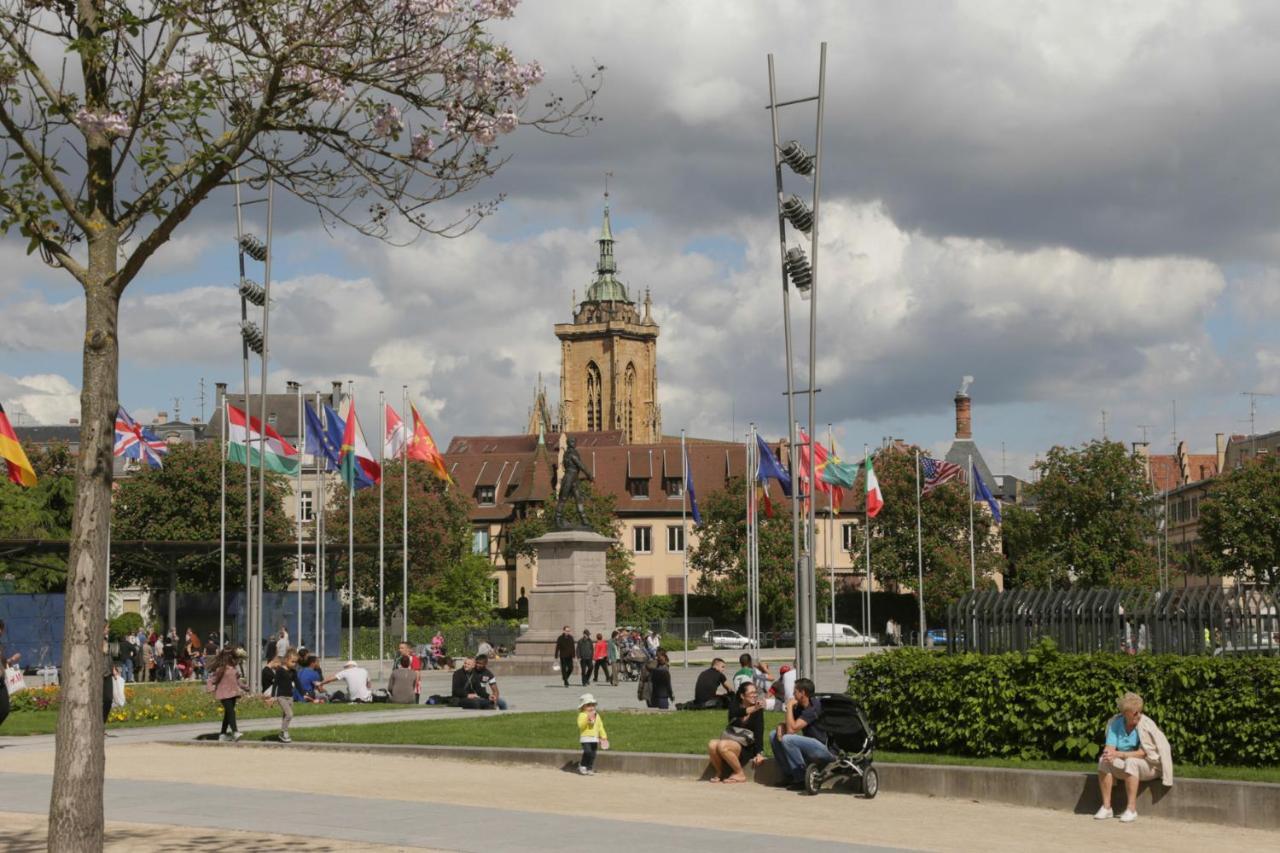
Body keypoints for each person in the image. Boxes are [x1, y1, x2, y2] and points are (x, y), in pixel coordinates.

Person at [1095, 692, 1174, 823]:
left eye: (1137, 713)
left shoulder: (1146, 725)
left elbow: (1144, 753)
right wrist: (1109, 753)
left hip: (1150, 766)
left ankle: (1131, 809)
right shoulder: (1116, 723)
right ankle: (1106, 807)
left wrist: (1120, 754)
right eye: (1130, 714)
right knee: (1103, 760)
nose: (1136, 716)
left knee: (1132, 762)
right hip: (1126, 765)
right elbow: (1109, 747)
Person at [769, 678, 835, 790]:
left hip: (825, 748)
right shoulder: (800, 706)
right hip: (812, 746)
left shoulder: (814, 707)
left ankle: (800, 779)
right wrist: (781, 726)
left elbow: (791, 730)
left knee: (788, 739)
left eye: (795, 692)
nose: (793, 695)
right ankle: (790, 775)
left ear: (802, 693)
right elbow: (790, 724)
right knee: (773, 735)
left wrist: (789, 706)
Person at [707, 681, 768, 783]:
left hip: (746, 746)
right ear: (742, 696)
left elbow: (759, 731)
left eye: (755, 692)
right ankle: (719, 773)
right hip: (733, 739)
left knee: (723, 746)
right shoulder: (734, 706)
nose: (755, 695)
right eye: (751, 693)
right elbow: (736, 713)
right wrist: (753, 708)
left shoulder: (758, 710)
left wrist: (759, 752)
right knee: (712, 744)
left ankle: (739, 773)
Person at [207, 649, 245, 741]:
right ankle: (235, 732)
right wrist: (210, 688)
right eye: (235, 659)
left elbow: (238, 680)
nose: (236, 661)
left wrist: (245, 687)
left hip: (233, 693)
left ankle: (222, 734)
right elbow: (211, 680)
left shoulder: (234, 669)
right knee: (231, 712)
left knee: (228, 714)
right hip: (223, 694)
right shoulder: (221, 669)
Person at [266, 651, 299, 743]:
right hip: (281, 696)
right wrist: (273, 696)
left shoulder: (293, 672)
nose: (294, 664)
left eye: (296, 662)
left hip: (290, 697)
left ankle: (283, 734)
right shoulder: (280, 670)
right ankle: (284, 732)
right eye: (292, 661)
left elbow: (297, 683)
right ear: (286, 660)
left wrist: (304, 693)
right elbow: (275, 683)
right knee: (289, 714)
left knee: (285, 716)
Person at [576, 693, 609, 775]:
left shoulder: (597, 715)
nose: (591, 707)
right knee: (587, 752)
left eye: (592, 705)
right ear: (583, 707)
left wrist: (603, 736)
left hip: (595, 738)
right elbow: (581, 726)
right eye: (588, 705)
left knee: (593, 753)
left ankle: (589, 768)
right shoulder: (582, 715)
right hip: (585, 737)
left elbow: (600, 726)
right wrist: (587, 720)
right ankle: (583, 765)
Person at [0, 619, 19, 729]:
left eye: (1, 629)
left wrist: (12, 660)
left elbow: (3, 663)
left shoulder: (1, 646)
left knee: (4, 709)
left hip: (1, 682)